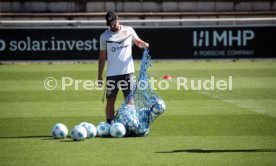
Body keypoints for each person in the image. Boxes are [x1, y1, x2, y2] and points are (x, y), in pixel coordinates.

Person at [98, 11, 149, 124]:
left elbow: (138, 42)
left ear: (118, 19)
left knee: (130, 101)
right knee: (110, 101)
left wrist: (144, 44)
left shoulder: (129, 30)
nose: (111, 25)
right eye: (109, 24)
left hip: (128, 73)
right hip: (112, 74)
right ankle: (109, 124)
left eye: (113, 23)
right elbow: (102, 57)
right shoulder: (104, 36)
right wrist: (99, 76)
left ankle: (131, 124)